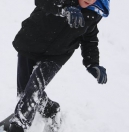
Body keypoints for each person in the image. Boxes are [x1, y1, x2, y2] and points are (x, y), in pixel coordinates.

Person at [8, 0, 110, 132]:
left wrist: (92, 63)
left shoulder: (94, 12)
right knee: (24, 91)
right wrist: (64, 8)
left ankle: (19, 126)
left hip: (57, 55)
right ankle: (51, 109)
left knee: (34, 87)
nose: (90, 0)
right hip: (31, 42)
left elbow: (90, 37)